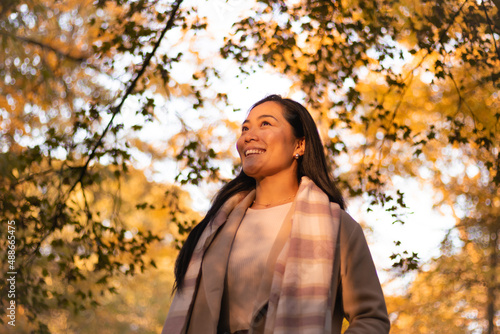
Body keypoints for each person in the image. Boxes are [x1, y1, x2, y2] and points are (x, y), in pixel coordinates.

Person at [162, 95, 390, 334]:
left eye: (266, 124)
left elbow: (371, 319)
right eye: (245, 128)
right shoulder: (215, 229)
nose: (248, 135)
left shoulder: (337, 227)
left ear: (299, 145)